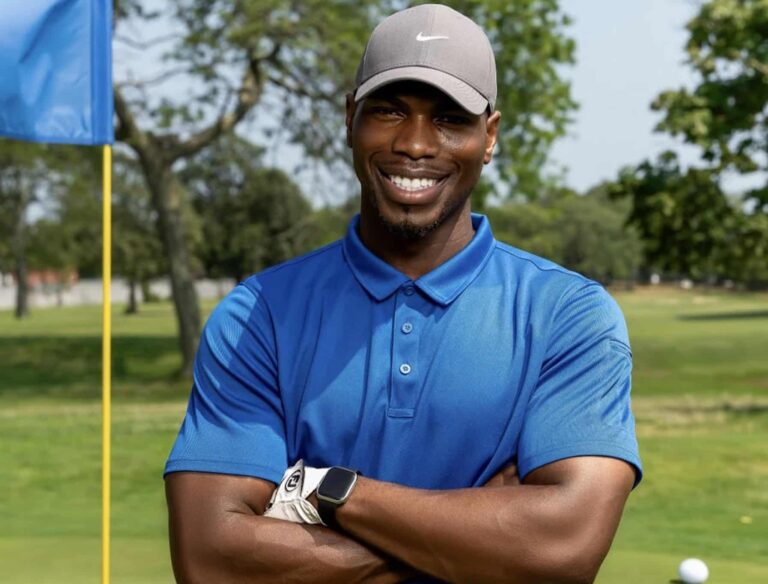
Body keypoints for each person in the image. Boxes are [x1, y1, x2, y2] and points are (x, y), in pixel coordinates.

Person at [164, 4, 642, 583]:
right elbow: (211, 560)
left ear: (489, 137)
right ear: (350, 119)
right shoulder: (257, 315)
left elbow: (563, 548)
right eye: (389, 110)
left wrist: (330, 491)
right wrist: (480, 538)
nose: (415, 144)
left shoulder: (569, 315)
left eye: (449, 119)